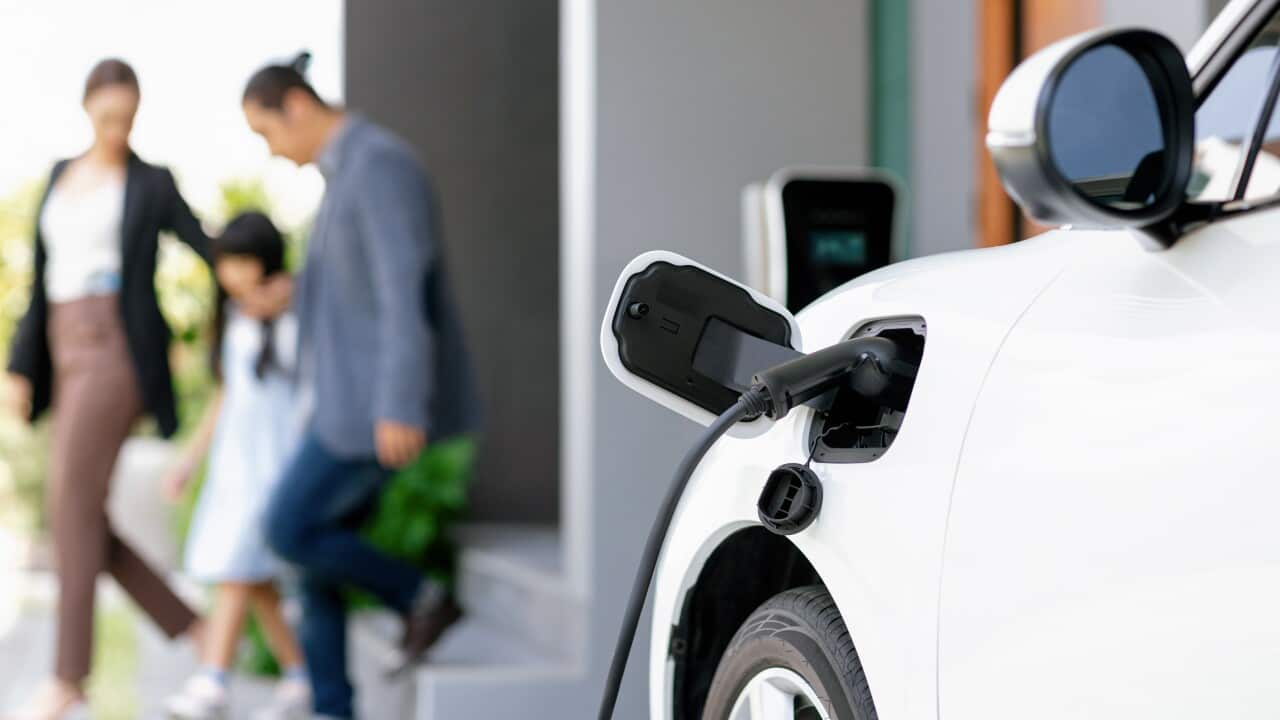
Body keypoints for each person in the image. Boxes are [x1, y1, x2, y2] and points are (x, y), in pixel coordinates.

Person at [240, 54, 480, 719]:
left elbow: (403, 292)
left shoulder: (380, 165)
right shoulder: (344, 174)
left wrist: (401, 402)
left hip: (368, 410)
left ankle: (422, 597)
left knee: (286, 527)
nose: (272, 151)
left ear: (296, 105)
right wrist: (294, 294)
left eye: (267, 132)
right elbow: (359, 286)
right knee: (312, 562)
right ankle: (332, 708)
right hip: (342, 405)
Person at [161, 212, 311, 720]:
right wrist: (189, 461)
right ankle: (300, 676)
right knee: (254, 577)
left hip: (276, 460)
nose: (233, 274)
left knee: (236, 567)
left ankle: (213, 679)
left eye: (244, 261)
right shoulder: (232, 318)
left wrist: (293, 297)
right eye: (226, 263)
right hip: (236, 463)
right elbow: (226, 398)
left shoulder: (293, 313)